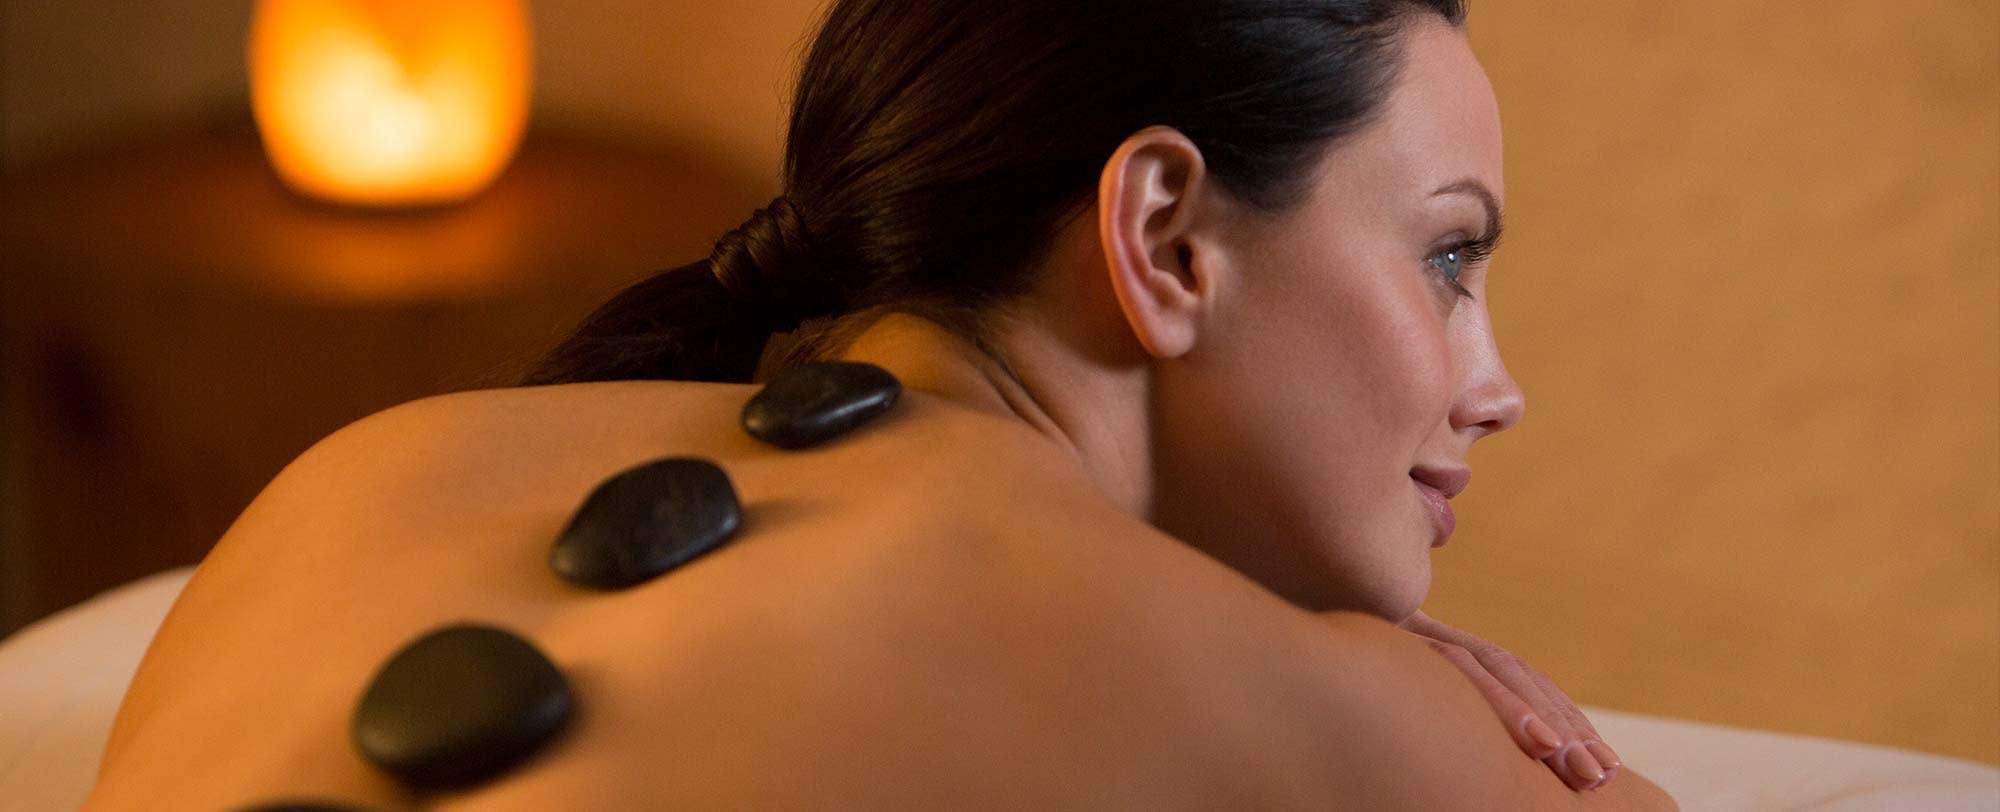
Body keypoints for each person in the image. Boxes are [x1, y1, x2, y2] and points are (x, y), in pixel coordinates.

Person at [88, 0, 1678, 809]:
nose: (1497, 386)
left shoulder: (374, 469)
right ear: (1164, 238)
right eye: (1450, 256)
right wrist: (1376, 695)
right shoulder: (1264, 697)